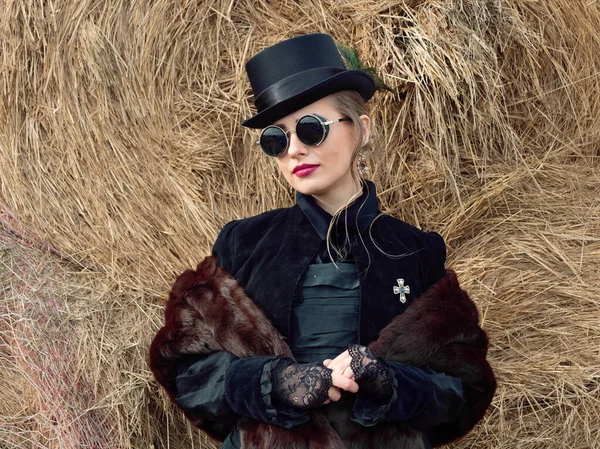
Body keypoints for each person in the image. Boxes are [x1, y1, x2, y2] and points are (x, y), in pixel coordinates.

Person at [149, 33, 496, 449]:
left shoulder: (416, 251)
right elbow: (189, 374)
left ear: (361, 130)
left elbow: (461, 390)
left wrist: (388, 381)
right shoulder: (243, 245)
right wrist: (276, 383)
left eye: (311, 129)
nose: (294, 150)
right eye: (276, 139)